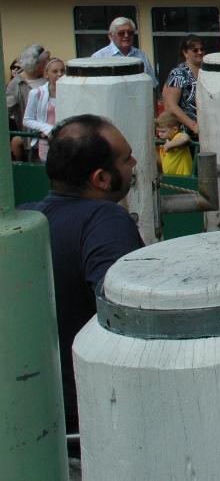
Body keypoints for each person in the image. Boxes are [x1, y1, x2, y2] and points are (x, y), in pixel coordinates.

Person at [18, 114, 145, 436]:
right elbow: (126, 310)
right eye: (126, 157)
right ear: (101, 178)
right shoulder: (104, 220)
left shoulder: (26, 218)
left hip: (35, 422)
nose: (135, 162)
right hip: (90, 426)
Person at [7, 43, 49, 159]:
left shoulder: (48, 78)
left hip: (51, 134)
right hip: (32, 138)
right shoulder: (16, 83)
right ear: (34, 64)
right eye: (45, 62)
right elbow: (7, 110)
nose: (48, 64)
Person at [92, 17, 159, 88]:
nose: (126, 36)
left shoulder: (141, 55)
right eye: (121, 33)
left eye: (130, 33)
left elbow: (152, 85)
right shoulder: (99, 57)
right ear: (111, 36)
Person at [23, 56, 65, 162]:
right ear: (46, 74)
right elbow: (27, 120)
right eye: (55, 71)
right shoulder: (36, 93)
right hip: (46, 142)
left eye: (62, 71)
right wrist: (46, 128)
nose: (60, 74)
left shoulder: (70, 93)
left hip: (66, 140)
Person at [163, 35, 205, 136]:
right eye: (195, 50)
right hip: (186, 134)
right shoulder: (178, 73)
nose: (200, 52)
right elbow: (171, 106)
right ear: (185, 53)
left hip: (207, 130)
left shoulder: (207, 71)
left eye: (202, 49)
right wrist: (193, 126)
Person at [156, 111, 194, 176]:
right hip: (170, 177)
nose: (159, 134)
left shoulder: (178, 136)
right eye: (158, 131)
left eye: (163, 131)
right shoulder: (165, 140)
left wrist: (170, 145)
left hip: (183, 177)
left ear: (175, 129)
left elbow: (185, 138)